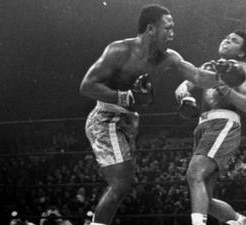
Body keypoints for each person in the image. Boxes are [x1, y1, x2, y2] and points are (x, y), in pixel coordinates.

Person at [80, 4, 235, 225]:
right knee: (121, 184)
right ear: (151, 29)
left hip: (129, 120)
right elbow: (87, 86)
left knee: (123, 186)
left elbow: (198, 76)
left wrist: (223, 75)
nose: (172, 34)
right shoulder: (119, 50)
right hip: (106, 117)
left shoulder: (168, 57)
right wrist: (124, 97)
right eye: (168, 28)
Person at [175, 30, 246, 225]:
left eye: (234, 41)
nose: (227, 40)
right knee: (205, 199)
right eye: (227, 38)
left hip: (224, 123)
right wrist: (185, 97)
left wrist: (226, 89)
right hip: (202, 126)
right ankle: (244, 222)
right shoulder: (206, 67)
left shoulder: (245, 68)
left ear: (241, 53)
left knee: (194, 174)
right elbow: (181, 87)